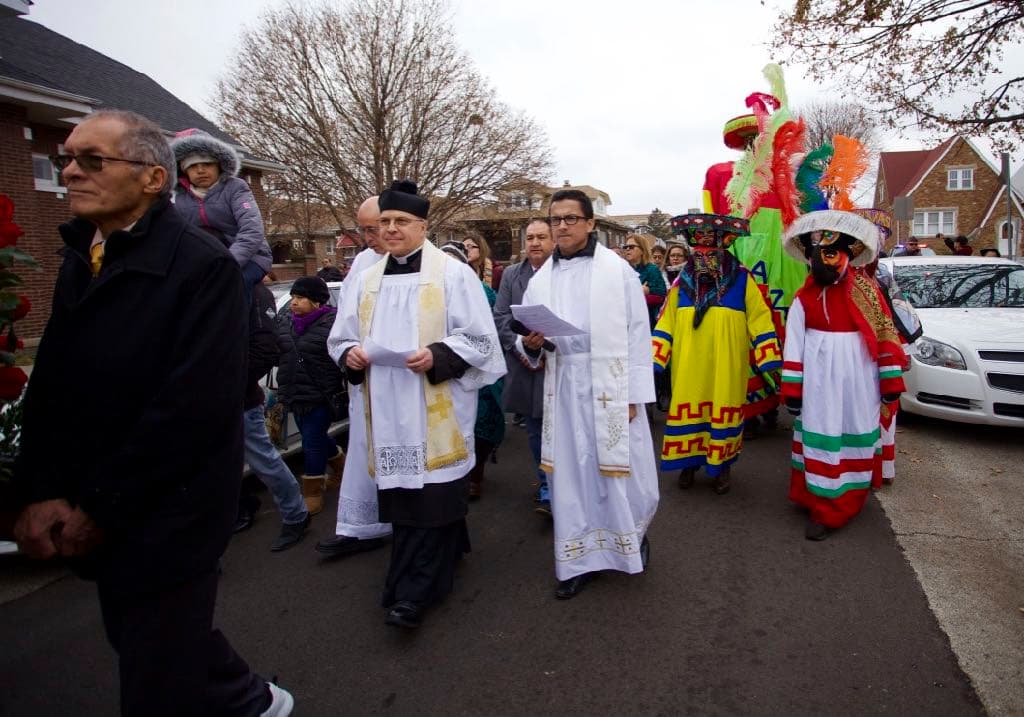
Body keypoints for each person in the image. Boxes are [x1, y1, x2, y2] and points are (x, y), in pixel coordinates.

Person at [12, 110, 292, 716]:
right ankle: (246, 699)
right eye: (65, 158)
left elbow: (189, 406)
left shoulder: (203, 264)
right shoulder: (81, 254)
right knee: (144, 635)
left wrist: (100, 505)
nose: (68, 173)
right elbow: (56, 384)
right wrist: (39, 490)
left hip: (173, 506)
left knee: (153, 673)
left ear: (150, 178)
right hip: (100, 490)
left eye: (92, 160)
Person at [333, 180, 506, 628]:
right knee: (414, 500)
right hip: (388, 409)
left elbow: (480, 340)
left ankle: (411, 593)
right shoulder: (365, 279)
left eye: (401, 222)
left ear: (422, 225)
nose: (391, 230)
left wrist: (438, 354)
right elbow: (342, 334)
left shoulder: (452, 274)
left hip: (434, 403)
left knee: (431, 495)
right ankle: (449, 550)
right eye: (385, 222)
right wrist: (349, 353)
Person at [517, 189, 660, 600]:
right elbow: (529, 334)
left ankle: (631, 538)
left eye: (570, 218)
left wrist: (633, 395)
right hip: (563, 384)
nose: (562, 226)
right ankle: (579, 560)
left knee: (618, 471)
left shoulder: (618, 273)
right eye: (556, 218)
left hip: (609, 385)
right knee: (573, 475)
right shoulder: (541, 277)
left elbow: (637, 334)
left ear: (590, 223)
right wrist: (531, 342)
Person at [781, 210, 906, 540]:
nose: (823, 261)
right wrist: (792, 390)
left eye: (831, 253)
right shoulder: (803, 298)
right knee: (820, 435)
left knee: (852, 431)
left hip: (858, 381)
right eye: (816, 254)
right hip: (818, 383)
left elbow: (883, 334)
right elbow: (793, 344)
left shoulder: (866, 292)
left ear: (848, 255)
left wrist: (890, 380)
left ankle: (841, 504)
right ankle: (819, 500)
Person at [652, 214, 782, 494]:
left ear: (724, 249)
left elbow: (760, 316)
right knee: (689, 407)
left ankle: (722, 467)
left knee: (724, 408)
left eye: (711, 251)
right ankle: (689, 463)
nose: (705, 257)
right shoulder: (681, 283)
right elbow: (665, 320)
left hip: (728, 361)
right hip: (689, 362)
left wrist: (768, 355)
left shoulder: (742, 278)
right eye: (699, 251)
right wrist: (656, 357)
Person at [320, 196, 392, 558]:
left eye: (372, 228)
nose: (368, 237)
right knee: (363, 448)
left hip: (402, 379)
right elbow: (343, 321)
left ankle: (407, 525)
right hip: (366, 377)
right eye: (362, 229)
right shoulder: (363, 263)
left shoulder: (422, 264)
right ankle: (362, 525)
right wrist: (347, 351)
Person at [237, 280, 311, 551]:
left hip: (239, 399)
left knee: (264, 460)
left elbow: (264, 349)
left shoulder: (253, 291)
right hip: (204, 401)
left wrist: (228, 386)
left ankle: (295, 515)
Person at [493, 217, 556, 513]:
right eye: (530, 237)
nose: (535, 243)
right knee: (535, 430)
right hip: (526, 364)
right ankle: (546, 485)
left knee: (564, 429)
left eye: (541, 237)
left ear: (553, 240)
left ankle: (570, 487)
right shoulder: (511, 275)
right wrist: (522, 345)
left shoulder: (564, 273)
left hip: (561, 362)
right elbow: (501, 316)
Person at [170, 128, 273, 300]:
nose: (200, 170)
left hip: (248, 257)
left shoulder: (235, 188)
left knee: (233, 285)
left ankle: (241, 325)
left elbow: (252, 230)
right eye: (193, 166)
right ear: (183, 170)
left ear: (219, 165)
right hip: (205, 262)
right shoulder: (180, 200)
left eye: (207, 164)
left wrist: (229, 263)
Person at [276, 276, 346, 516]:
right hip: (294, 392)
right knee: (313, 436)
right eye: (293, 297)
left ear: (317, 302)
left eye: (300, 298)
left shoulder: (332, 323)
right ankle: (340, 465)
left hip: (321, 394)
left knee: (311, 440)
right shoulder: (285, 321)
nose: (294, 303)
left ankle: (313, 491)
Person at [622, 233, 666, 328]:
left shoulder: (652, 269)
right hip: (627, 320)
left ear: (642, 250)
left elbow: (662, 295)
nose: (628, 249)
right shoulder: (624, 269)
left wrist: (647, 291)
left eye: (631, 246)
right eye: (626, 247)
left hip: (648, 320)